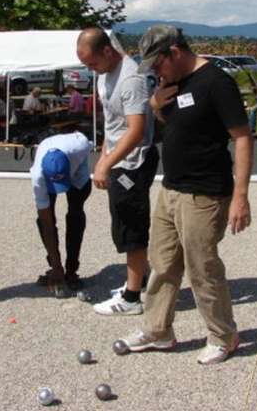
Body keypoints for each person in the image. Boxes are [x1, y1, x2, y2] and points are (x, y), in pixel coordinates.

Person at [119, 25, 253, 365]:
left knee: (202, 268)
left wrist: (241, 196)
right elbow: (177, 128)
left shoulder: (217, 83)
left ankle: (224, 336)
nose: (155, 73)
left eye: (158, 65)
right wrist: (155, 105)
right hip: (171, 188)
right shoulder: (171, 83)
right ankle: (158, 331)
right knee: (162, 263)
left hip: (205, 194)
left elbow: (241, 137)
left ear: (175, 53)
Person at [77, 27, 158, 316]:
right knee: (121, 222)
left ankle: (132, 299)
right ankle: (140, 278)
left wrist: (105, 164)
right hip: (116, 159)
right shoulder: (104, 74)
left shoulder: (131, 79)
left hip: (133, 163)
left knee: (131, 225)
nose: (90, 69)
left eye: (92, 63)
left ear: (107, 52)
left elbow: (135, 131)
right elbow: (113, 123)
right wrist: (104, 154)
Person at [30, 131, 92, 293]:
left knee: (75, 214)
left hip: (78, 167)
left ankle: (72, 269)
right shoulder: (38, 176)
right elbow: (46, 222)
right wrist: (56, 265)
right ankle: (55, 266)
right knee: (43, 220)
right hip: (55, 162)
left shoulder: (80, 147)